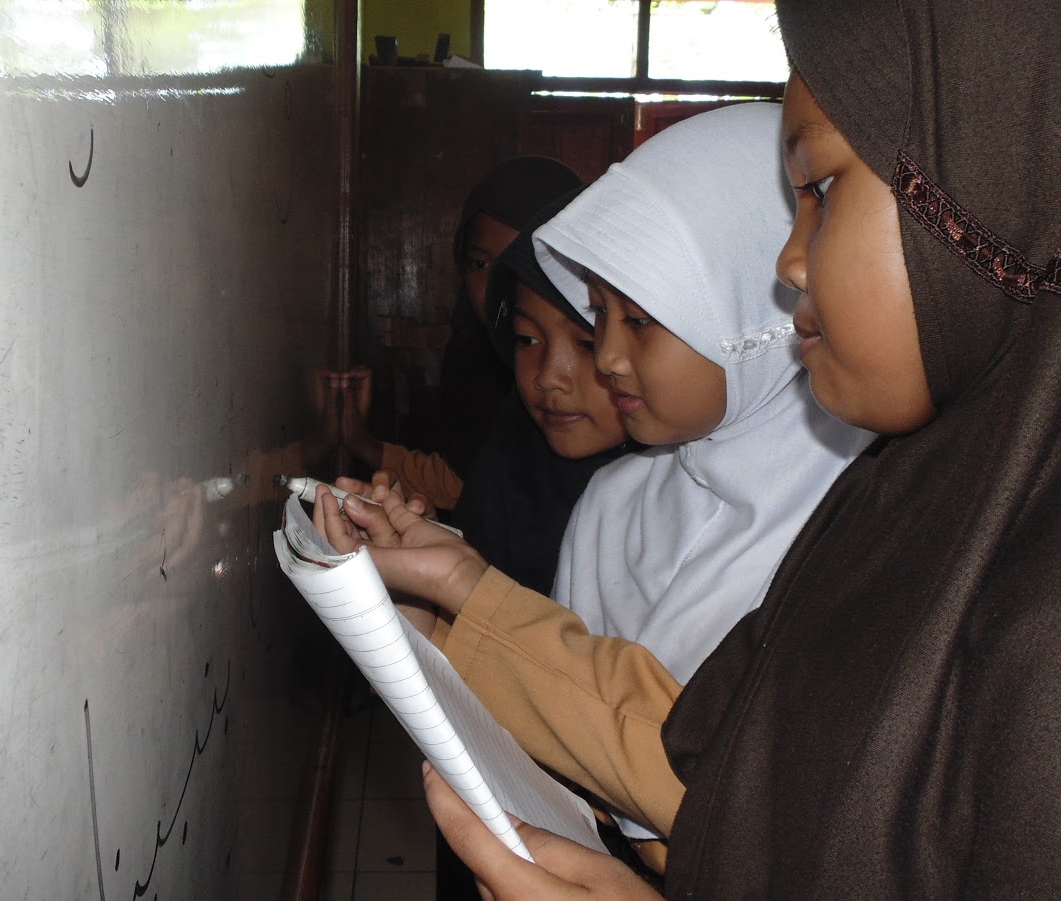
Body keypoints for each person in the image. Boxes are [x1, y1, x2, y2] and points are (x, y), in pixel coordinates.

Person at [351, 0, 1061, 897]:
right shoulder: (915, 491)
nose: (787, 263)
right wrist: (452, 603)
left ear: (997, 182)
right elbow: (735, 772)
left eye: (820, 189)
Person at [323, 102, 868, 869]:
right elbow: (550, 726)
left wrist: (461, 597)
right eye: (600, 315)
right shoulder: (614, 504)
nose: (606, 358)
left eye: (636, 321)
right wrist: (427, 617)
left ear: (752, 305)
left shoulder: (861, 529)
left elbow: (751, 797)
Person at [335, 157, 584, 510]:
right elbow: (465, 480)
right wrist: (361, 442)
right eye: (480, 264)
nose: (496, 286)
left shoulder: (605, 370)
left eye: (521, 261)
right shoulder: (473, 359)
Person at [449, 186, 633, 596]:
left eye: (587, 343)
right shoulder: (511, 455)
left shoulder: (685, 491)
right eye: (526, 339)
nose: (548, 377)